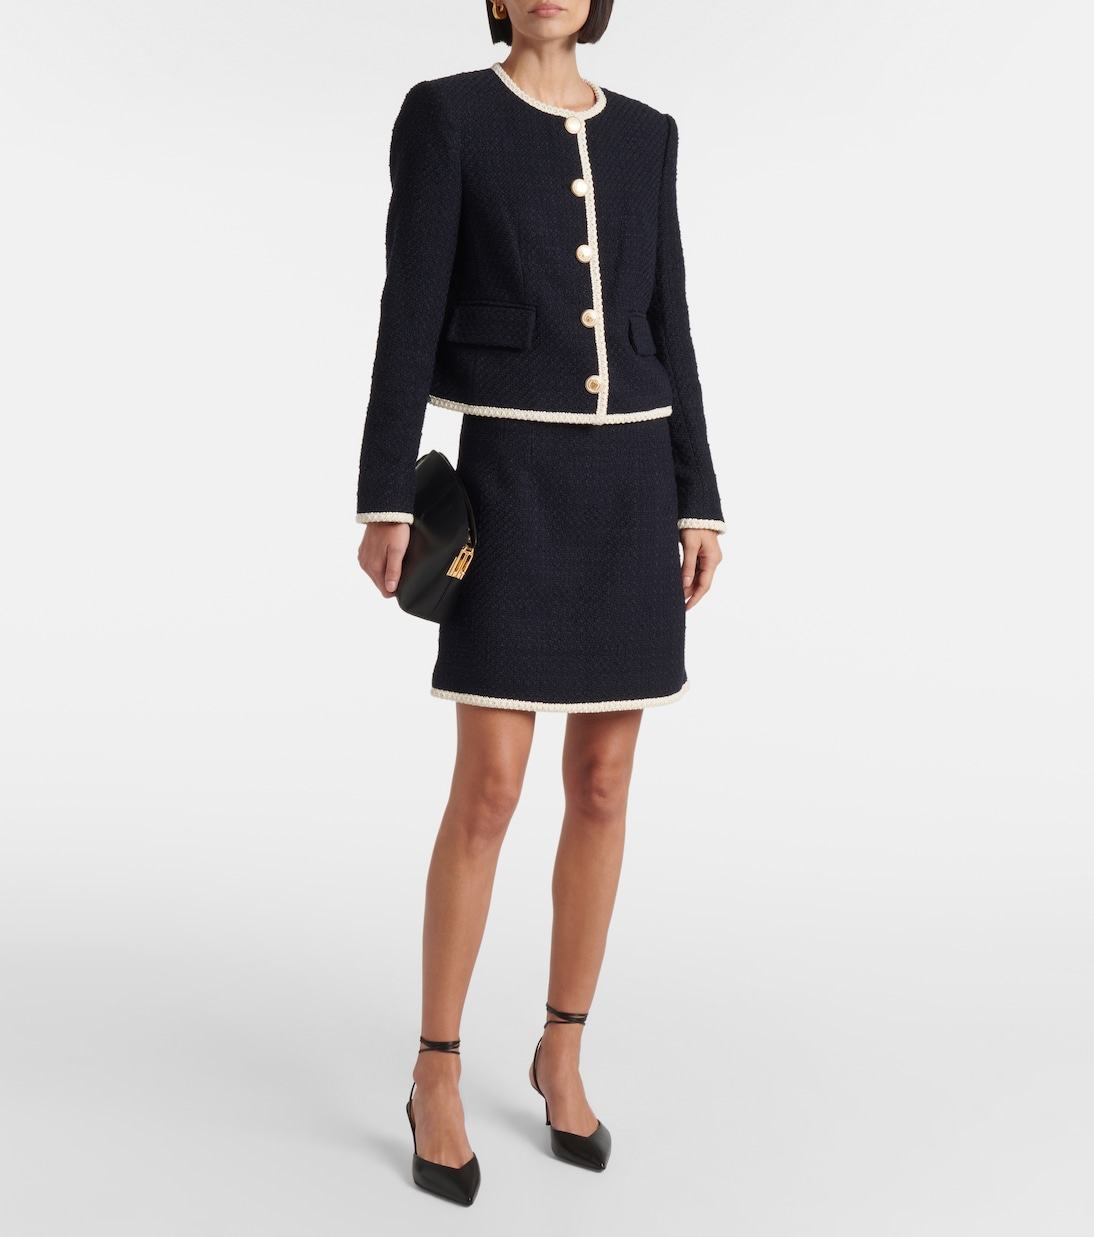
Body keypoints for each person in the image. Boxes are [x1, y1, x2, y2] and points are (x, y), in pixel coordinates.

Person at [355, 0, 724, 1206]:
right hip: (510, 479)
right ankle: (436, 1067)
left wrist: (698, 498)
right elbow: (408, 308)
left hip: (632, 481)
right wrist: (384, 493)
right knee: (491, 789)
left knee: (604, 783)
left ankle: (561, 1048)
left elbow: (668, 317)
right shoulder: (448, 117)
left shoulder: (649, 134)